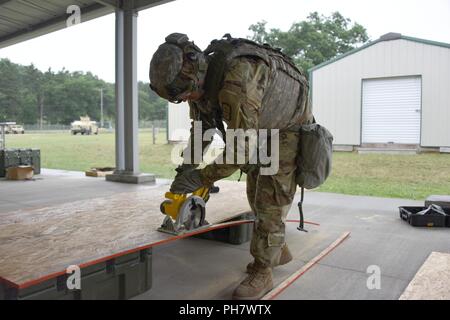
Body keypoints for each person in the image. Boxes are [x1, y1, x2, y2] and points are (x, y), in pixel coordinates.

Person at [149, 33, 313, 299]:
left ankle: (263, 270)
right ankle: (275, 248)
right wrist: (186, 170)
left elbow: (239, 152)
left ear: (194, 71)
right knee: (254, 190)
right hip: (261, 126)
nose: (189, 99)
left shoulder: (237, 80)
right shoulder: (201, 85)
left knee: (269, 196)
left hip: (286, 129)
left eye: (188, 94)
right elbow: (201, 130)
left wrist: (202, 178)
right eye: (183, 98)